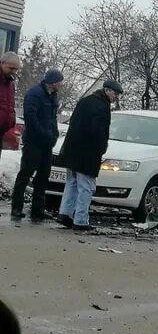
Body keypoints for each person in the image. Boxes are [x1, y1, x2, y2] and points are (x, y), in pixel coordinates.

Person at [57, 79, 123, 233]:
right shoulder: (102, 106)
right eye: (115, 93)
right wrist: (102, 147)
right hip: (88, 153)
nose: (116, 97)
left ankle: (65, 213)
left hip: (72, 149)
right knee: (86, 187)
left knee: (72, 183)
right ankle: (80, 220)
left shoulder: (85, 101)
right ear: (107, 90)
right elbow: (98, 130)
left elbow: (73, 122)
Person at [11, 69, 63, 222]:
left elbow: (52, 118)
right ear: (53, 82)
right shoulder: (35, 94)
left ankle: (38, 209)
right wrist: (43, 133)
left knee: (43, 176)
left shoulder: (53, 96)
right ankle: (17, 207)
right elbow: (31, 117)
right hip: (34, 141)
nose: (61, 84)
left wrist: (54, 134)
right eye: (60, 81)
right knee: (25, 173)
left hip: (47, 142)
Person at [0, 51, 19, 163]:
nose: (13, 71)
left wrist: (12, 118)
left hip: (2, 130)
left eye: (15, 69)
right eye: (11, 68)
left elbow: (10, 103)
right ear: (2, 63)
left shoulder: (10, 83)